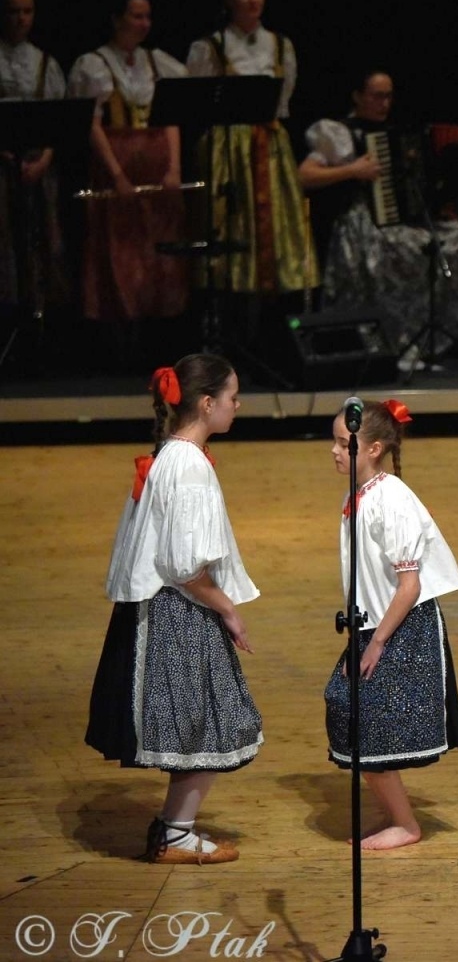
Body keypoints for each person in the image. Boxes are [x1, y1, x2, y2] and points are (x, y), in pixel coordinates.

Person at [86, 354, 259, 863]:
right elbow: (184, 566)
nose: (237, 405)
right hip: (176, 613)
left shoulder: (171, 454)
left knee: (207, 718)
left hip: (168, 608)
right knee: (211, 719)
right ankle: (175, 833)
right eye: (231, 398)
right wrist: (227, 609)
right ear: (206, 404)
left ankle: (174, 829)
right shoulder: (187, 466)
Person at [325, 398, 458, 849]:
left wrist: (376, 643)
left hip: (401, 626)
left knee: (366, 721)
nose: (334, 451)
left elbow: (409, 585)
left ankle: (405, 824)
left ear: (373, 449)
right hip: (374, 623)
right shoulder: (359, 494)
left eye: (342, 442)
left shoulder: (392, 499)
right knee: (353, 715)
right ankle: (398, 817)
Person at [299, 70, 458, 370]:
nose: (384, 104)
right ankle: (390, 340)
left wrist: (436, 205)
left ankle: (434, 338)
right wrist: (352, 171)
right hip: (361, 217)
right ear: (357, 96)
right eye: (377, 96)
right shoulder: (339, 131)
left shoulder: (401, 131)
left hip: (404, 219)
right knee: (389, 245)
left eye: (388, 96)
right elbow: (304, 176)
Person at [185, 0, 316, 297]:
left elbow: (283, 101)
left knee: (276, 222)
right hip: (227, 144)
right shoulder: (211, 46)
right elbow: (198, 103)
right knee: (231, 220)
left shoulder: (280, 45)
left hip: (269, 141)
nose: (253, 0)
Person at [66, 0, 190, 324]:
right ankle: (121, 327)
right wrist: (117, 175)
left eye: (148, 16)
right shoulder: (95, 64)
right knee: (121, 246)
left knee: (158, 246)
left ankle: (157, 324)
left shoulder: (157, 62)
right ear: (116, 19)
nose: (144, 23)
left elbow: (171, 118)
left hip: (157, 168)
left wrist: (174, 169)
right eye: (137, 16)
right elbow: (91, 125)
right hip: (119, 163)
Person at [1, 0, 69, 320]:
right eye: (14, 11)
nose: (21, 18)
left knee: (44, 236)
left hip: (38, 163)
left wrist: (43, 160)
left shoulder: (44, 62)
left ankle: (41, 309)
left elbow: (60, 120)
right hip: (4, 163)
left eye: (26, 12)